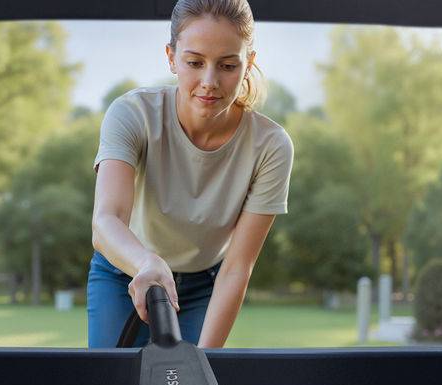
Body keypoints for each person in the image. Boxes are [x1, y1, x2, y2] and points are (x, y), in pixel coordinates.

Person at [87, 0, 294, 349]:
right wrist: (148, 264)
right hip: (125, 273)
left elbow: (237, 267)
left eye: (228, 65)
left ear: (249, 64)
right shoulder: (132, 114)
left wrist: (205, 360)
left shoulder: (271, 146)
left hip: (205, 286)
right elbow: (106, 221)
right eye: (194, 63)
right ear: (171, 57)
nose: (209, 82)